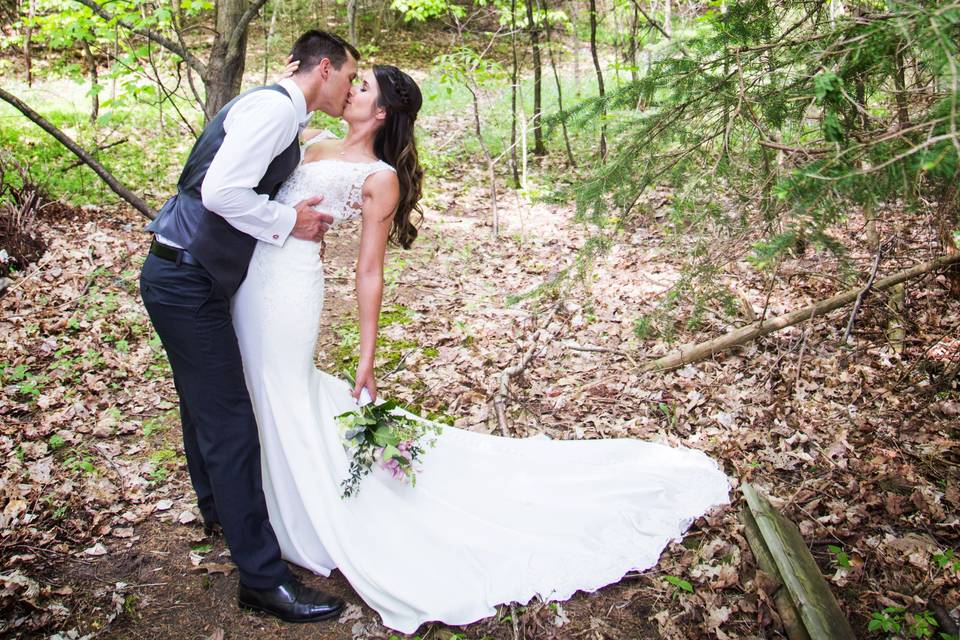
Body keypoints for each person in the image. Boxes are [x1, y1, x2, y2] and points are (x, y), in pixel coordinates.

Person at [232, 63, 731, 634]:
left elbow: (370, 271)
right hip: (253, 277)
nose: (349, 90)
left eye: (362, 86)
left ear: (382, 113)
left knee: (283, 385)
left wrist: (367, 357)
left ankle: (300, 516)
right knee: (254, 386)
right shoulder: (311, 142)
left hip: (291, 291)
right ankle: (269, 503)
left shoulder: (379, 176)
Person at [138, 30, 360, 623]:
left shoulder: (285, 114)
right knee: (231, 421)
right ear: (323, 68)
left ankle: (218, 510)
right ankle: (261, 578)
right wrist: (288, 220)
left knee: (202, 404)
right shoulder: (272, 109)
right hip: (185, 277)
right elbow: (221, 191)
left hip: (189, 273)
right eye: (348, 76)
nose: (350, 88)